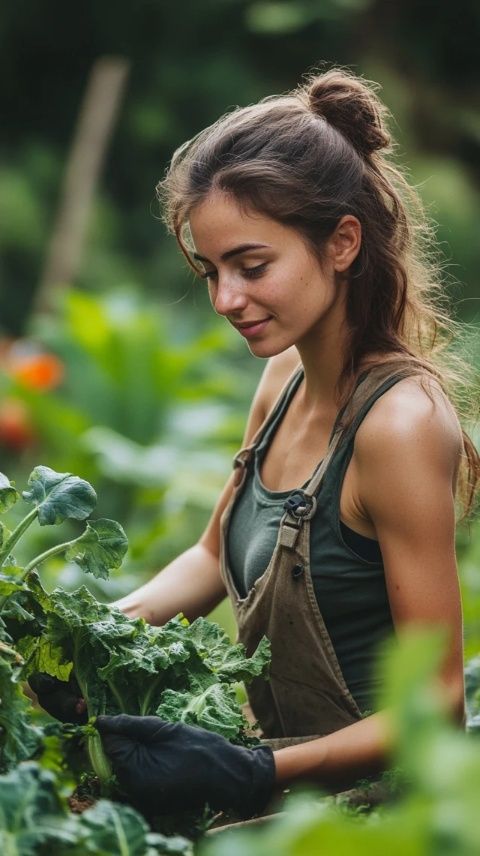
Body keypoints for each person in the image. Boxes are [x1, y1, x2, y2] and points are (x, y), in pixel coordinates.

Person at [34, 68, 479, 820]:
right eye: (211, 272)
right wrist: (88, 637)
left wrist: (250, 769)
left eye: (252, 266)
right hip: (289, 806)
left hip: (387, 820)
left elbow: (436, 705)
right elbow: (212, 555)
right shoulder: (283, 377)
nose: (225, 301)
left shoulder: (397, 426)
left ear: (341, 243)